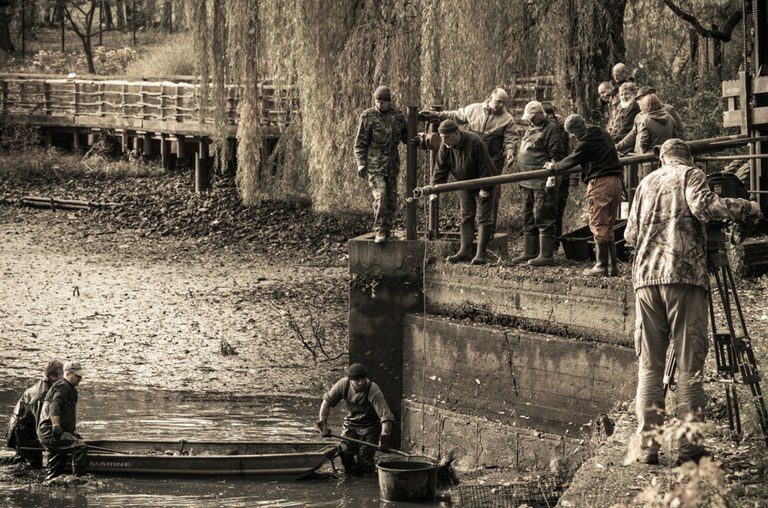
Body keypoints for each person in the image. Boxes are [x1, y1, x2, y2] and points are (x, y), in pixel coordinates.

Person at [624, 139, 763, 466]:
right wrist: (745, 207)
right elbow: (706, 208)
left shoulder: (645, 182)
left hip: (645, 281)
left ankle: (648, 448)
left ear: (661, 158)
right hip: (683, 276)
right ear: (688, 157)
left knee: (649, 366)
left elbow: (630, 234)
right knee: (689, 366)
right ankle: (689, 450)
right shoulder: (690, 174)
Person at [420, 88, 519, 237]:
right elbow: (457, 116)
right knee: (467, 200)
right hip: (471, 160)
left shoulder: (507, 119)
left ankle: (487, 235)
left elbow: (510, 138)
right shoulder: (474, 109)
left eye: (504, 103)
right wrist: (438, 115)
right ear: (491, 97)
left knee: (489, 200)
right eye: (498, 101)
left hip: (491, 163)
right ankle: (469, 235)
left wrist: (510, 152)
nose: (500, 105)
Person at [545, 115, 623, 276]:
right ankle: (612, 265)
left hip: (600, 183)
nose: (572, 136)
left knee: (598, 222)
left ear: (575, 131)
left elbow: (572, 160)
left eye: (571, 133)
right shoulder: (601, 132)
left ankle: (601, 265)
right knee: (608, 223)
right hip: (615, 181)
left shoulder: (585, 143)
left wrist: (554, 166)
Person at [426, 119, 499, 265]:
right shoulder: (445, 146)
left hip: (484, 183)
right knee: (466, 216)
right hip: (465, 184)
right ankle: (465, 250)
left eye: (447, 137)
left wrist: (484, 188)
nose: (444, 140)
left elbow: (486, 166)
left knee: (484, 217)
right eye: (442, 137)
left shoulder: (475, 142)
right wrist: (435, 190)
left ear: (456, 133)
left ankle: (480, 254)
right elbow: (440, 169)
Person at [511, 100, 565, 266]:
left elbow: (557, 154)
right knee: (528, 215)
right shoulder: (531, 127)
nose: (530, 120)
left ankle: (546, 255)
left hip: (543, 181)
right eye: (529, 118)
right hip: (528, 181)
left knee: (543, 214)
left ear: (542, 114)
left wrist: (552, 177)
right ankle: (530, 251)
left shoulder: (551, 129)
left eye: (533, 117)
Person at [316, 363, 395, 475]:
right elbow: (326, 403)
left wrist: (384, 440)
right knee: (345, 453)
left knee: (364, 463)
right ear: (350, 379)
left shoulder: (372, 389)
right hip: (351, 424)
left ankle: (366, 479)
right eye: (357, 380)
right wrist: (323, 426)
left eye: (363, 378)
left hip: (370, 426)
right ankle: (351, 478)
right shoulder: (343, 384)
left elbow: (386, 416)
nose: (361, 382)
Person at [354, 85, 408, 244]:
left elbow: (406, 136)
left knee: (391, 199)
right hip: (375, 164)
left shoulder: (397, 116)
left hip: (392, 164)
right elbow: (360, 143)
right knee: (381, 195)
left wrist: (418, 139)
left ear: (389, 102)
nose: (380, 105)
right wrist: (361, 163)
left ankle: (388, 228)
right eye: (377, 101)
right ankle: (380, 230)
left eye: (383, 102)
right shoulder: (368, 117)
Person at [3, 360, 64, 468]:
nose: (64, 379)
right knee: (35, 464)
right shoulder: (42, 395)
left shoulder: (47, 387)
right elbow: (40, 423)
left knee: (22, 460)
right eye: (62, 375)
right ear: (53, 377)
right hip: (22, 432)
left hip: (23, 428)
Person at [37, 361, 88, 480]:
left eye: (80, 376)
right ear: (68, 374)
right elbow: (55, 405)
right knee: (80, 447)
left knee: (55, 473)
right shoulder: (63, 386)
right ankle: (79, 480)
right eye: (77, 376)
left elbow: (67, 413)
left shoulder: (70, 388)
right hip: (50, 431)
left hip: (46, 432)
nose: (80, 378)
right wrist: (56, 425)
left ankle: (51, 483)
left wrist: (71, 431)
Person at [615, 92, 677, 180]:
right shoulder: (670, 118)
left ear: (647, 106)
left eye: (641, 104)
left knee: (647, 186)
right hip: (666, 159)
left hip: (648, 160)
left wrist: (642, 153)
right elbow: (675, 137)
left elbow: (643, 141)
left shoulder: (646, 120)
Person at [543, 103, 578, 252]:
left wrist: (573, 178)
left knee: (557, 208)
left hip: (561, 174)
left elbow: (573, 153)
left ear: (550, 115)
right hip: (549, 173)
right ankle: (548, 243)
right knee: (547, 208)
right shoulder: (543, 128)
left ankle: (555, 243)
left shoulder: (564, 130)